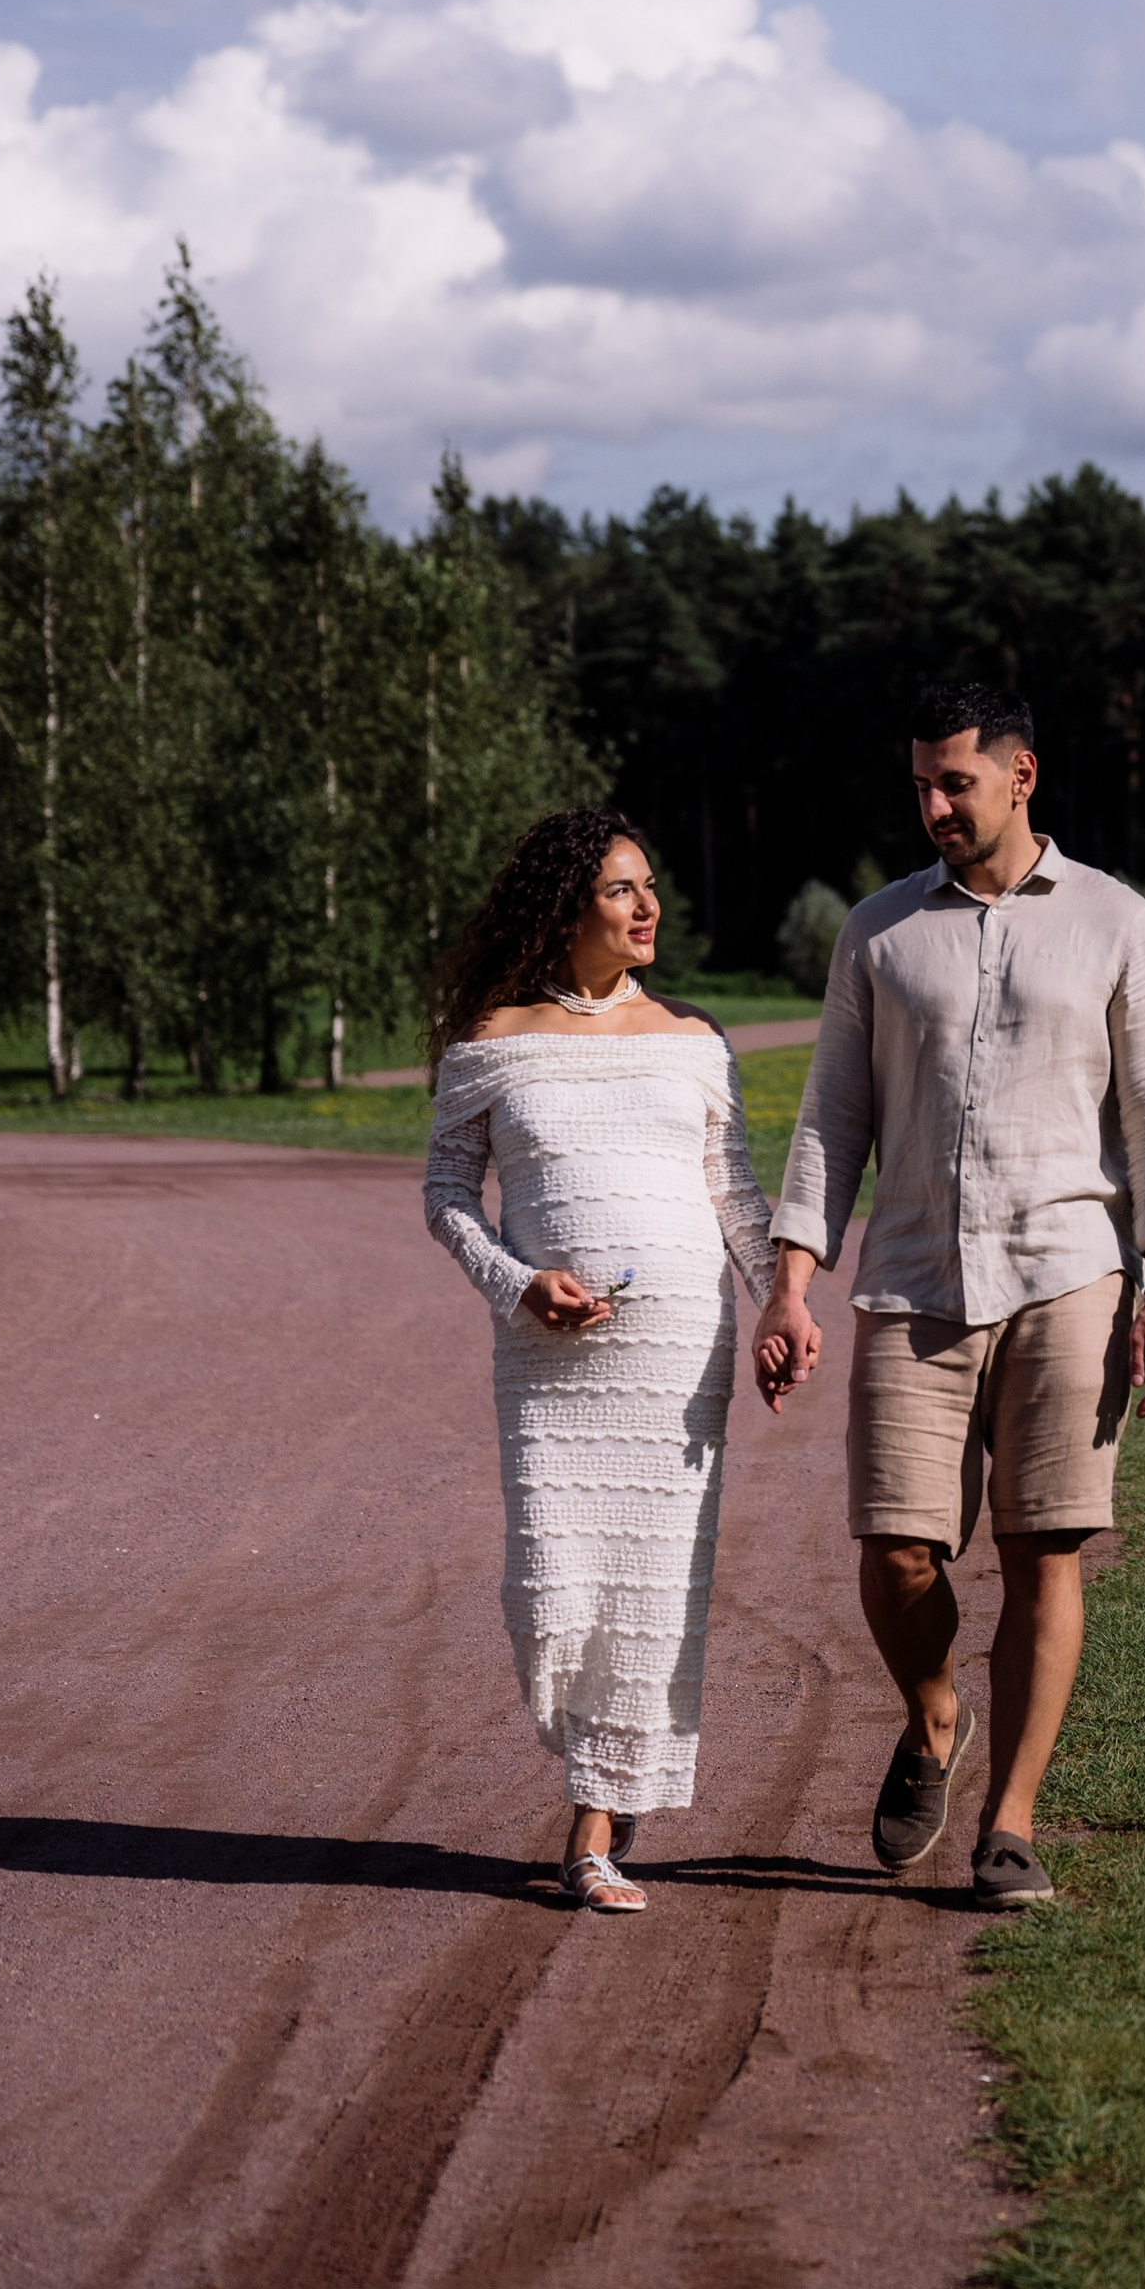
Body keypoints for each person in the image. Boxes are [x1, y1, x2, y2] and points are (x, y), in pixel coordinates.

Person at [756, 683, 1145, 1910]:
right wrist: (792, 1283)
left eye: (955, 782)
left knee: (1043, 1550)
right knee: (896, 1550)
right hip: (910, 1275)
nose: (934, 806)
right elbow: (831, 1117)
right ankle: (936, 1716)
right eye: (919, 786)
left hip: (1071, 1269)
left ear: (1023, 776)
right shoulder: (879, 932)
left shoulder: (1118, 921)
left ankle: (1009, 1827)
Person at [423, 806, 779, 1914]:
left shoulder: (692, 1038)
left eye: (651, 886)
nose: (647, 907)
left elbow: (736, 1200)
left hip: (678, 1350)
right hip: (549, 1355)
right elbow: (445, 1197)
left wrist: (787, 1305)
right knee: (551, 1592)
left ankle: (594, 1824)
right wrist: (515, 1281)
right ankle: (602, 1774)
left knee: (652, 1583)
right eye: (622, 889)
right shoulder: (493, 1038)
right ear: (565, 906)